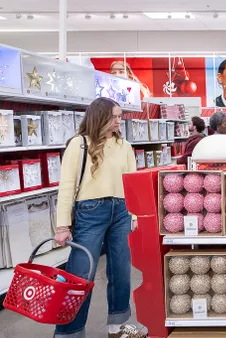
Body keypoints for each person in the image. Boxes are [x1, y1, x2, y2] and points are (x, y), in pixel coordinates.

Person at [53, 97, 143, 338]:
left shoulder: (124, 145)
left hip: (122, 210)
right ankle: (69, 332)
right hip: (90, 211)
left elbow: (132, 183)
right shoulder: (79, 144)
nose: (118, 120)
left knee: (121, 270)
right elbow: (66, 186)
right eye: (114, 116)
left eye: (120, 116)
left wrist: (134, 213)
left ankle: (118, 326)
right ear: (100, 116)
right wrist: (62, 225)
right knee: (80, 274)